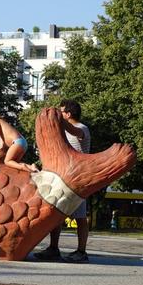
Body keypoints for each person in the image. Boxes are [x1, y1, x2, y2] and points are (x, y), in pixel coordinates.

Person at [34, 99, 91, 263]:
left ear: (68, 114)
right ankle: (53, 248)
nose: (60, 115)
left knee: (80, 217)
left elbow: (74, 131)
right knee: (56, 215)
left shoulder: (81, 129)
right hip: (62, 178)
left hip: (78, 179)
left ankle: (81, 251)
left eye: (62, 112)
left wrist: (57, 119)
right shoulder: (64, 130)